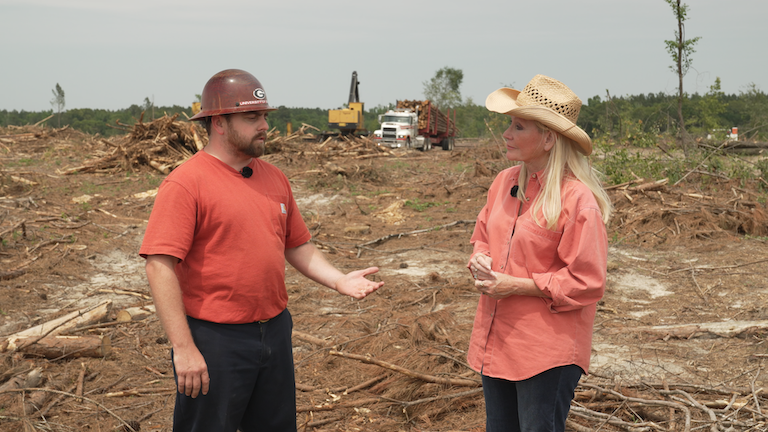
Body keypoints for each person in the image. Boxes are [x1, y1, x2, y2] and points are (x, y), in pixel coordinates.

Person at [140, 69, 384, 432]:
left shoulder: (274, 178)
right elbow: (160, 265)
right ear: (219, 122)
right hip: (214, 340)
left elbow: (297, 244)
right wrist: (184, 348)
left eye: (265, 115)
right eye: (252, 117)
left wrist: (338, 281)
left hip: (274, 331)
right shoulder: (187, 183)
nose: (264, 125)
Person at [467, 74, 612, 432]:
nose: (507, 134)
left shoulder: (578, 200)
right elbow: (483, 236)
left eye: (518, 126)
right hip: (496, 340)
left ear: (548, 138)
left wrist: (516, 285)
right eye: (509, 125)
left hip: (546, 352)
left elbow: (587, 281)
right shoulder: (504, 183)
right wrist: (480, 259)